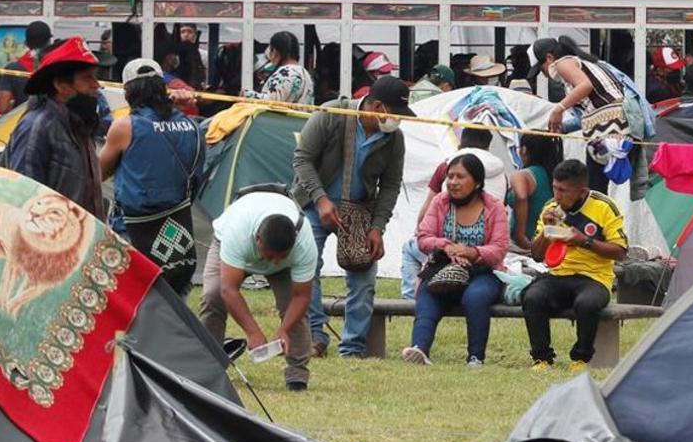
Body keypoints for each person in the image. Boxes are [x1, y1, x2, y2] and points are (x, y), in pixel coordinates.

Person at [292, 76, 410, 358]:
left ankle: (353, 347)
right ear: (378, 107)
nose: (399, 121)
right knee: (306, 264)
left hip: (360, 209)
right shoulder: (331, 115)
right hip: (314, 203)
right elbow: (302, 159)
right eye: (395, 114)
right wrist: (320, 200)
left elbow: (391, 185)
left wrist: (377, 227)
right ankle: (315, 334)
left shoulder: (395, 139)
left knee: (363, 275)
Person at [99, 58, 205, 294]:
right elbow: (197, 178)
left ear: (128, 92)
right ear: (162, 88)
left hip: (133, 230)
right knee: (175, 309)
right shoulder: (193, 127)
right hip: (178, 228)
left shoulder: (126, 127)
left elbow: (98, 173)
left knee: (133, 305)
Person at [199, 189, 317, 391]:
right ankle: (209, 367)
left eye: (282, 256)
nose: (275, 262)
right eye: (271, 256)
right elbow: (229, 290)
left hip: (278, 256)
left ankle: (297, 375)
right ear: (258, 240)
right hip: (229, 242)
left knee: (292, 307)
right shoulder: (238, 233)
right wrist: (253, 332)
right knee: (213, 295)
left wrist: (284, 329)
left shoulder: (304, 243)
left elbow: (302, 296)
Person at [402, 154, 508, 366]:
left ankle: (475, 357)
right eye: (450, 176)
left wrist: (472, 252)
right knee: (428, 294)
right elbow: (423, 238)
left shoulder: (494, 207)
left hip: (482, 272)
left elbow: (499, 249)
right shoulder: (440, 202)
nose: (453, 182)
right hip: (443, 269)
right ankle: (419, 349)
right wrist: (445, 246)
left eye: (460, 177)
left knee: (475, 297)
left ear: (477, 182)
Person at [523, 159, 628, 372]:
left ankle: (580, 359)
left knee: (587, 303)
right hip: (559, 274)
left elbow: (621, 251)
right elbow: (536, 254)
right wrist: (547, 231)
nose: (557, 196)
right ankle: (542, 359)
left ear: (581, 191)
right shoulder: (551, 208)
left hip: (594, 278)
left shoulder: (603, 206)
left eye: (564, 191)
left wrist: (584, 241)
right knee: (532, 297)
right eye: (554, 188)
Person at [2, 37, 105, 219]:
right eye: (87, 77)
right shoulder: (37, 127)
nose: (96, 84)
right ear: (61, 86)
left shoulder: (80, 125)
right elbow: (23, 201)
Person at [531, 36, 631, 193]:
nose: (544, 75)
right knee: (597, 180)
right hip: (613, 122)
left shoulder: (563, 63)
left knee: (595, 185)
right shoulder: (584, 63)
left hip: (608, 122)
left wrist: (559, 109)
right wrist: (562, 128)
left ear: (549, 58)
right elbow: (582, 113)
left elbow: (585, 85)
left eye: (542, 68)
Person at [506, 133, 561, 252]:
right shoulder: (555, 174)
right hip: (551, 241)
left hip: (527, 244)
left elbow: (521, 196)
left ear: (524, 150)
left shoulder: (523, 175)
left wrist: (520, 235)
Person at [0, 21, 52, 114]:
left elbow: (3, 107)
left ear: (26, 43)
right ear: (49, 42)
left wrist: (18, 107)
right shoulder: (57, 67)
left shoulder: (12, 69)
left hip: (24, 123)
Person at [244, 31, 314, 104]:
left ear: (275, 51)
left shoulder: (285, 72)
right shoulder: (305, 74)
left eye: (270, 51)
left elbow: (272, 100)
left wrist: (248, 95)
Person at [156, 40, 199, 116]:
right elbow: (191, 93)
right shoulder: (170, 80)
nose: (176, 58)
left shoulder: (159, 76)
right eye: (175, 55)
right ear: (168, 58)